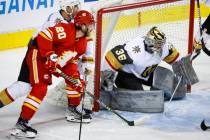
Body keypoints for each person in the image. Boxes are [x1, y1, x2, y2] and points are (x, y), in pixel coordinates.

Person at [0, 0, 94, 119]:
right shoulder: (56, 20)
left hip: (56, 56)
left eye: (77, 6)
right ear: (66, 8)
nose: (77, 9)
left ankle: (73, 108)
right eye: (74, 7)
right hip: (39, 53)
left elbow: (84, 41)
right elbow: (46, 39)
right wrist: (51, 56)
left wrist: (86, 60)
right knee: (23, 86)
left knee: (74, 78)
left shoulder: (75, 22)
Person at [104, 26, 181, 91]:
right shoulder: (132, 49)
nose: (161, 47)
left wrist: (181, 67)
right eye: (158, 44)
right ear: (150, 42)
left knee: (171, 85)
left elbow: (175, 58)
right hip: (127, 77)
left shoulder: (165, 48)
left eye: (162, 43)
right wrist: (106, 78)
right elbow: (112, 56)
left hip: (147, 73)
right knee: (140, 97)